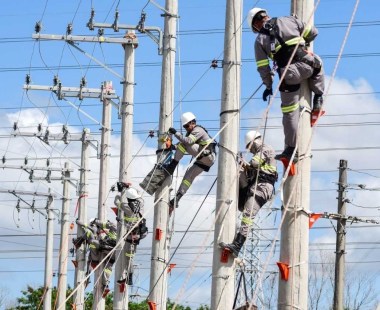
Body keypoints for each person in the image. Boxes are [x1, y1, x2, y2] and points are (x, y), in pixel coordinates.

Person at [247, 7, 325, 162]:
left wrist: (268, 86)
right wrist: (304, 41)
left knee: (289, 113)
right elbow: (313, 32)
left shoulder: (259, 41)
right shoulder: (289, 20)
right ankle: (318, 97)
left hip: (287, 75)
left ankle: (290, 150)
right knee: (319, 65)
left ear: (256, 25)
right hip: (307, 64)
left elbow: (263, 67)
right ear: (266, 15)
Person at [219, 131, 277, 257]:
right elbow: (253, 168)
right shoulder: (261, 150)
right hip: (256, 186)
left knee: (247, 215)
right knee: (240, 172)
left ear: (254, 141)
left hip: (262, 187)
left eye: (250, 147)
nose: (250, 150)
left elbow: (255, 163)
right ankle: (237, 244)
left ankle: (237, 245)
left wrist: (247, 163)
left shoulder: (266, 148)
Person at [166, 112, 217, 214]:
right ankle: (176, 199)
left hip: (207, 155)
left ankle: (173, 165)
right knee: (187, 178)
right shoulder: (190, 133)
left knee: (184, 144)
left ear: (193, 122)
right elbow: (183, 143)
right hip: (204, 161)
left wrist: (175, 133)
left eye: (187, 126)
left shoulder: (198, 130)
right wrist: (173, 147)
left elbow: (188, 142)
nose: (186, 128)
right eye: (184, 127)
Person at [114, 182, 147, 285]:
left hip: (132, 236)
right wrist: (128, 187)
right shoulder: (141, 202)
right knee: (129, 256)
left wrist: (119, 193)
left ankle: (129, 278)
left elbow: (116, 202)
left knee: (129, 257)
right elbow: (138, 192)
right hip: (140, 233)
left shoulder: (127, 207)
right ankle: (127, 276)